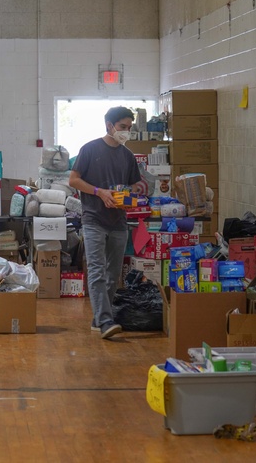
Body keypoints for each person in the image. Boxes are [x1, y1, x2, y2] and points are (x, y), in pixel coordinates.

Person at [69, 106, 141, 339]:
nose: (126, 132)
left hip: (119, 220)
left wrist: (133, 194)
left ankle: (100, 316)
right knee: (97, 270)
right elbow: (74, 180)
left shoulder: (128, 156)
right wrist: (99, 192)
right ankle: (105, 321)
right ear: (109, 125)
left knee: (113, 273)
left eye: (129, 128)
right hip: (93, 219)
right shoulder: (90, 149)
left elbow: (134, 185)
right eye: (122, 127)